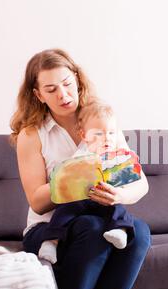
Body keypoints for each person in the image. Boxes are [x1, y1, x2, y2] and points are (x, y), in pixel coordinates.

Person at [10, 48, 151, 289]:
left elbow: (139, 183)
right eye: (51, 90)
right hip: (48, 229)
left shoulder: (101, 122)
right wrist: (74, 182)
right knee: (91, 226)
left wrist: (117, 195)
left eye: (67, 84)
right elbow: (37, 202)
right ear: (38, 94)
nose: (63, 95)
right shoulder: (31, 135)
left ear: (77, 79)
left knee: (139, 232)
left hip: (99, 216)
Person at [38, 101, 139, 264]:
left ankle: (119, 230)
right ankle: (50, 242)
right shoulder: (80, 154)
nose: (107, 138)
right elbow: (66, 175)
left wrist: (128, 166)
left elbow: (130, 176)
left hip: (104, 200)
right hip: (79, 201)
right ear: (84, 135)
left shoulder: (115, 154)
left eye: (112, 133)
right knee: (63, 211)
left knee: (119, 208)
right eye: (99, 134)